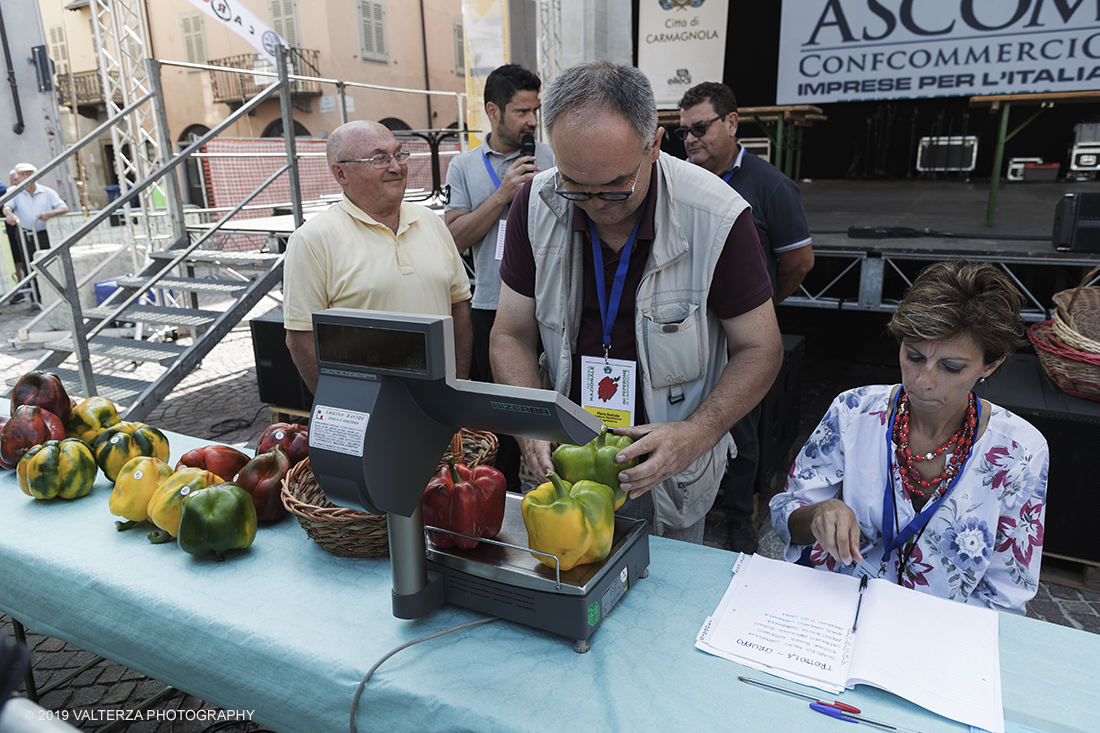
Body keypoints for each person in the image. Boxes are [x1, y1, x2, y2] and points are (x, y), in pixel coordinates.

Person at [491, 60, 784, 542]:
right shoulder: (534, 204)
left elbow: (761, 348)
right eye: (575, 185)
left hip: (666, 469)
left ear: (654, 145)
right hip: (564, 459)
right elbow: (510, 334)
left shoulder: (717, 216)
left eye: (615, 186)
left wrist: (695, 435)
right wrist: (530, 423)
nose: (595, 203)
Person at [770, 260, 1048, 614]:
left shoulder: (1020, 451)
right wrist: (818, 513)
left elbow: (1007, 592)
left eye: (951, 367)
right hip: (834, 611)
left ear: (990, 365)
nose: (923, 380)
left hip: (941, 634)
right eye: (913, 356)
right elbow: (785, 515)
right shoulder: (854, 411)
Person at [678, 81, 815, 554]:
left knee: (741, 424)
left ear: (732, 122)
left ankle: (740, 517)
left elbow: (800, 261)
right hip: (687, 332)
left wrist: (759, 307)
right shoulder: (678, 180)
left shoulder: (770, 185)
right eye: (684, 131)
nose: (691, 139)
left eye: (700, 127)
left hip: (740, 337)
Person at [283, 120, 473, 391]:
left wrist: (457, 386)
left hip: (437, 404)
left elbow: (459, 305)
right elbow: (300, 338)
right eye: (379, 159)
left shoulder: (431, 221)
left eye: (398, 154)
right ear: (341, 174)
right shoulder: (313, 240)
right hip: (367, 409)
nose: (396, 167)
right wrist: (344, 405)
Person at [444, 64, 553, 491]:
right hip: (490, 308)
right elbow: (453, 237)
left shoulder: (550, 158)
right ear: (493, 111)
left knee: (547, 410)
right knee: (498, 423)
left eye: (534, 111)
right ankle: (497, 500)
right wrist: (504, 194)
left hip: (549, 307)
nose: (531, 121)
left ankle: (554, 496)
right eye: (521, 111)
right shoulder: (464, 166)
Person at [2, 163, 68, 280]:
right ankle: (36, 294)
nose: (26, 176)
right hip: (25, 235)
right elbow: (7, 207)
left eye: (29, 174)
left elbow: (63, 208)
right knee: (29, 265)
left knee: (50, 263)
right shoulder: (15, 192)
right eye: (23, 174)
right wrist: (10, 215)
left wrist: (50, 213)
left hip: (46, 234)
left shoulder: (47, 192)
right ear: (19, 176)